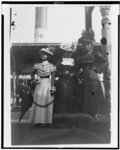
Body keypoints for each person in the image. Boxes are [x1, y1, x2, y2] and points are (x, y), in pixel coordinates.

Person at [75, 29, 107, 118]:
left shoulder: (95, 54)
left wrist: (95, 69)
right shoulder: (79, 56)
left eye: (88, 44)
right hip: (83, 78)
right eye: (84, 44)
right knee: (85, 96)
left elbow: (104, 62)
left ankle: (96, 113)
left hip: (93, 78)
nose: (86, 46)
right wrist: (78, 78)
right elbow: (76, 68)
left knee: (94, 94)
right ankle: (87, 114)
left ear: (91, 45)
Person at [29, 48, 56, 126]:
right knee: (39, 101)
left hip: (48, 84)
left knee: (47, 101)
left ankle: (48, 122)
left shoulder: (52, 66)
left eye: (44, 54)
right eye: (42, 54)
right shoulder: (37, 65)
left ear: (48, 56)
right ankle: (38, 122)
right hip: (40, 84)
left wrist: (52, 87)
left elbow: (53, 77)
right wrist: (34, 79)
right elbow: (32, 73)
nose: (42, 55)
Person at [54, 44, 81, 114]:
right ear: (64, 53)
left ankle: (71, 113)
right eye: (68, 52)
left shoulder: (74, 62)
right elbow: (55, 72)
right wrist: (63, 73)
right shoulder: (59, 62)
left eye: (70, 52)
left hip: (72, 81)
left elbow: (77, 71)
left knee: (73, 96)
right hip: (62, 81)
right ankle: (62, 113)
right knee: (62, 97)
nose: (69, 54)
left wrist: (72, 74)